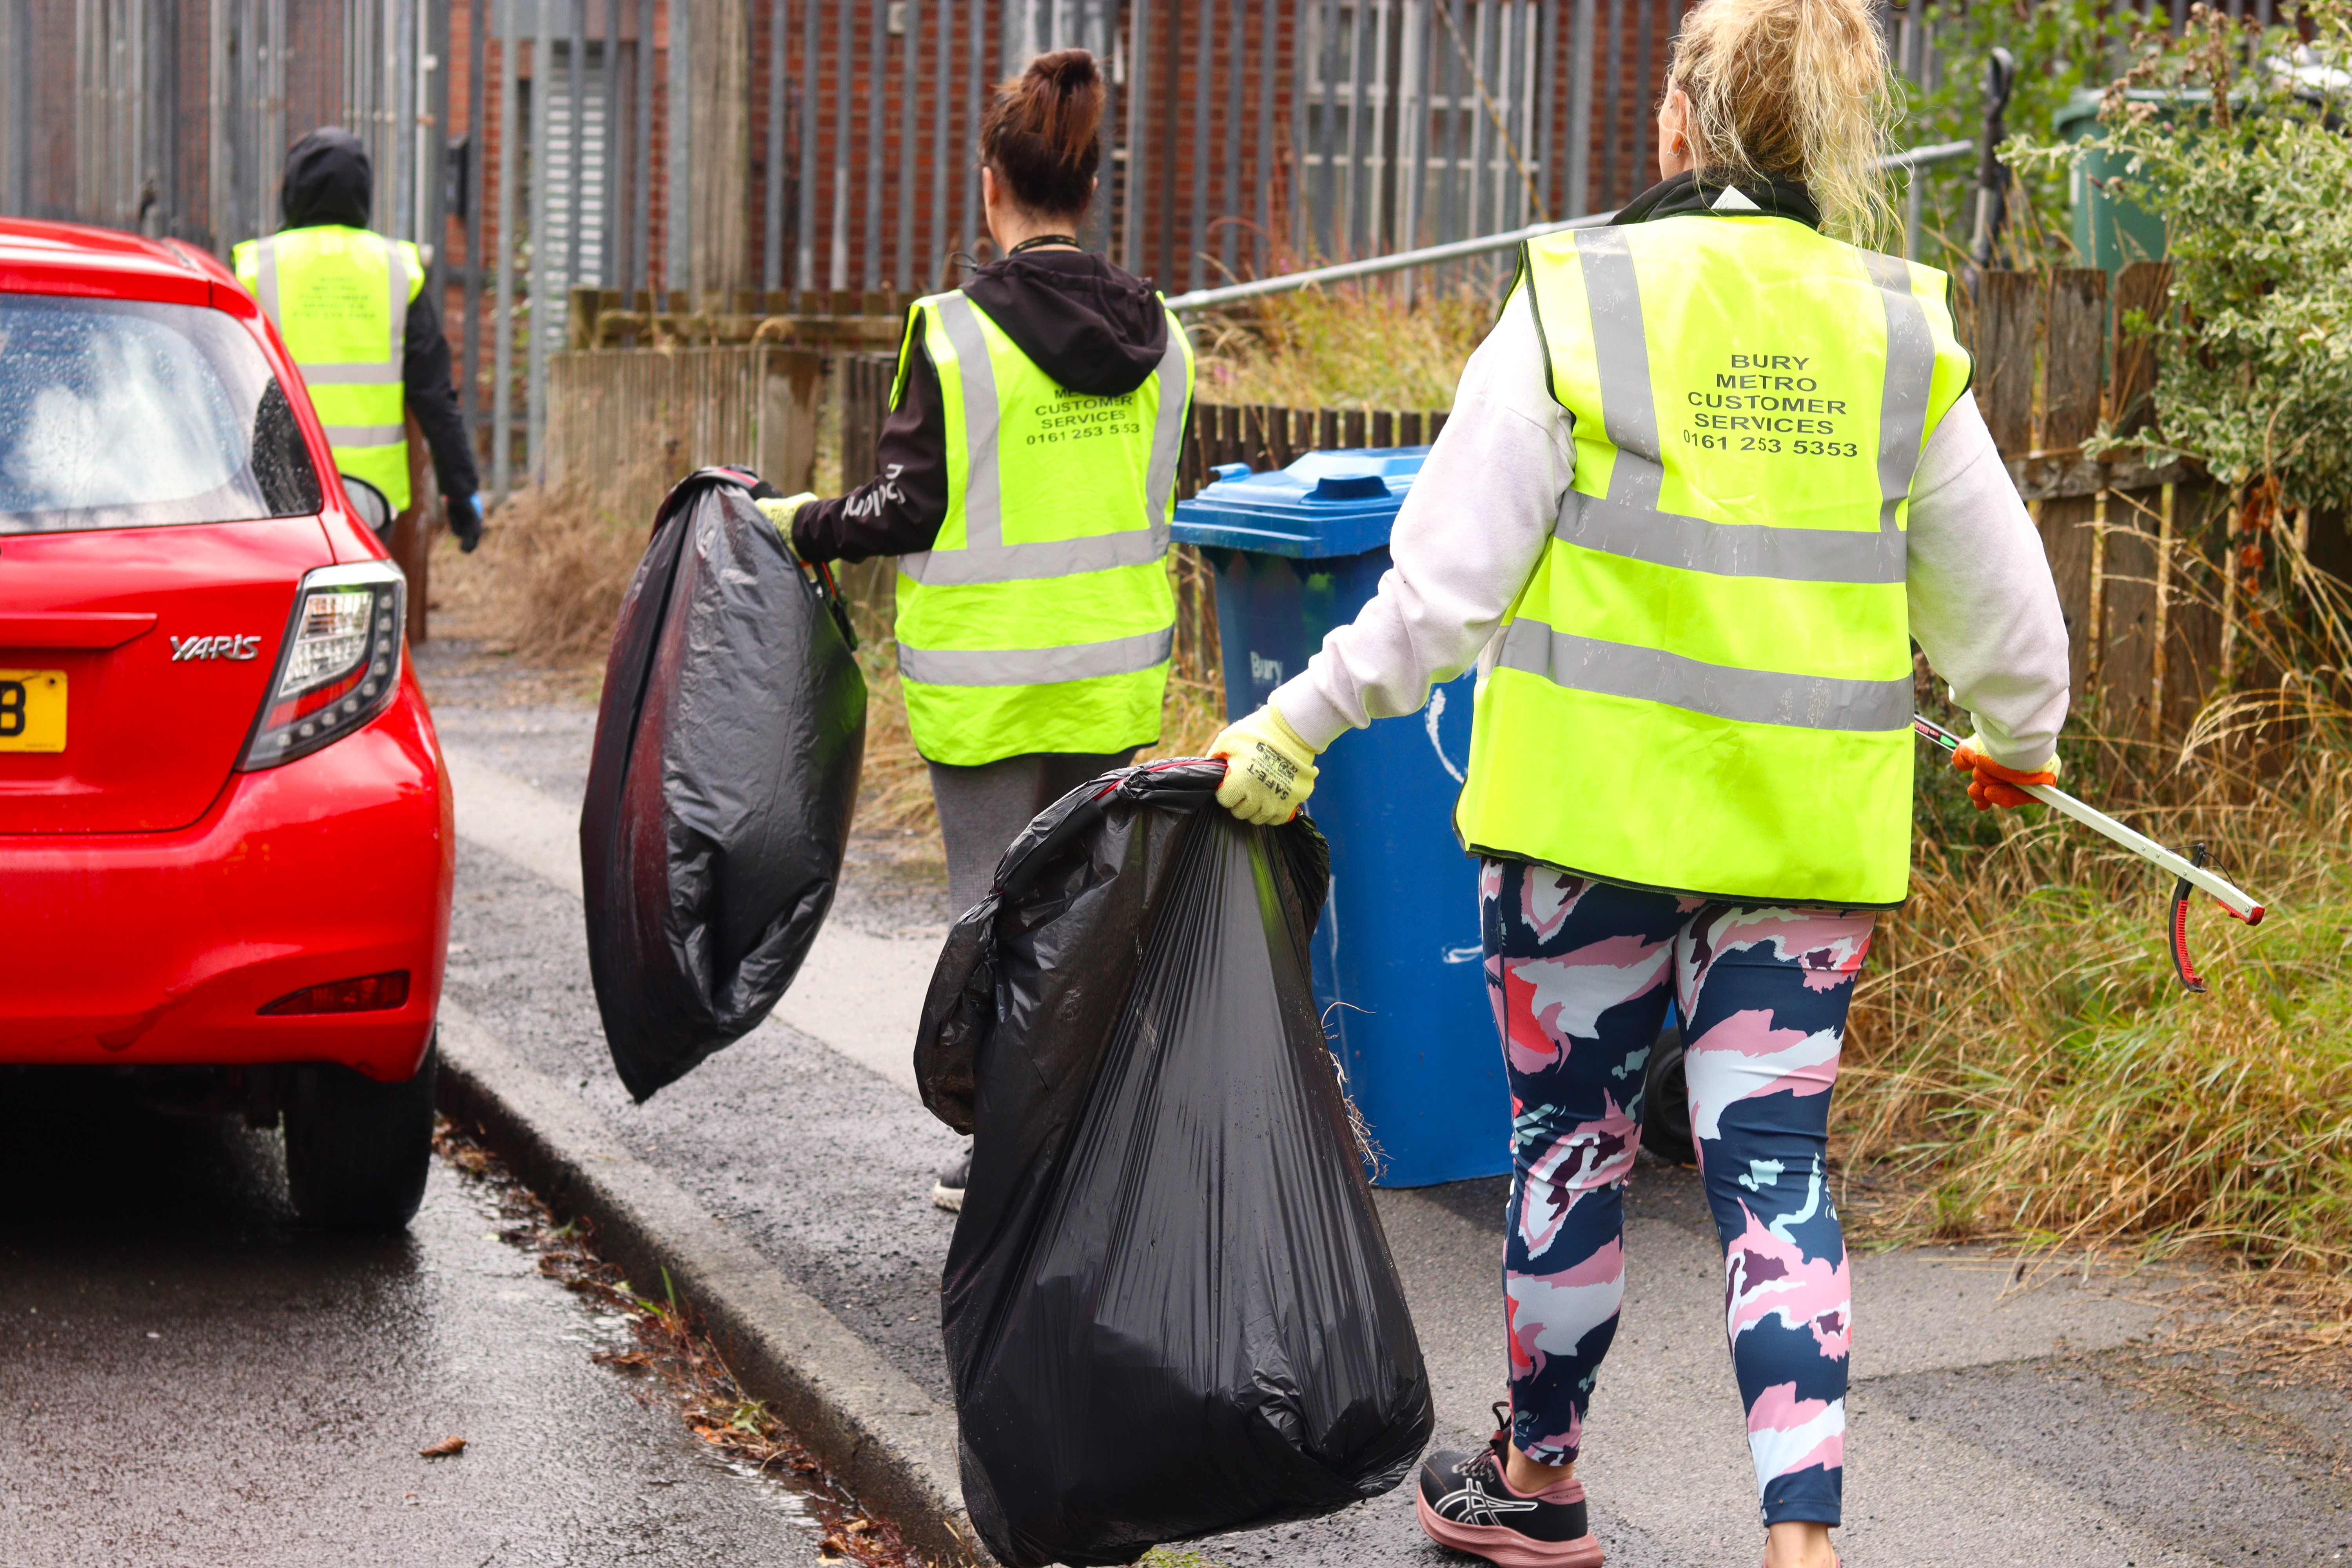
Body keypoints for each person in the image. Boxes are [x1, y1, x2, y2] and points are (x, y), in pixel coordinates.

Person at [1207, 0, 2070, 1563]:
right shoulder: (1895, 329)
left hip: (1581, 835)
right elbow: (2009, 619)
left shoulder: (1581, 301)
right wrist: (2022, 738)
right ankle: (1802, 1543)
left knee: (1570, 1152)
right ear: (1830, 139)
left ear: (1675, 128)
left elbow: (1441, 591)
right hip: (1806, 849)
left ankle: (1539, 1482)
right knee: (1773, 1174)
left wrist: (1296, 727)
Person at [759, 50, 1192, 1214]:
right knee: (1088, 917)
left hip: (987, 687)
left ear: (989, 184)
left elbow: (904, 508)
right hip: (1111, 679)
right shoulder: (1166, 340)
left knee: (987, 918)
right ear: (1090, 183)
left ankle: (1005, 1152)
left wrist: (799, 522)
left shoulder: (951, 334)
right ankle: (1084, 1147)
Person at [234, 127, 483, 551]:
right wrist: (460, 492)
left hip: (277, 486)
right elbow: (434, 394)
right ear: (363, 193)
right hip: (370, 497)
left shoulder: (258, 267)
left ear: (293, 191)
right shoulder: (396, 269)